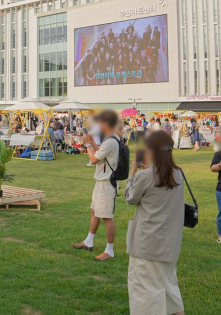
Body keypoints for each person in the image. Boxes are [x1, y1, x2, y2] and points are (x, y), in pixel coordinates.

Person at [124, 130, 185, 315]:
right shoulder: (179, 174)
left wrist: (133, 172)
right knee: (170, 294)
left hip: (147, 245)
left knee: (145, 299)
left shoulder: (147, 176)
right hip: (170, 244)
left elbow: (130, 198)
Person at [73, 110, 120, 261]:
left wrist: (87, 145)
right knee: (94, 211)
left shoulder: (111, 141)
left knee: (106, 216)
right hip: (102, 182)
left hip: (107, 183)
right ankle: (88, 241)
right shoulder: (112, 139)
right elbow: (101, 156)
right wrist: (92, 143)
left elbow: (94, 160)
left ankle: (110, 250)